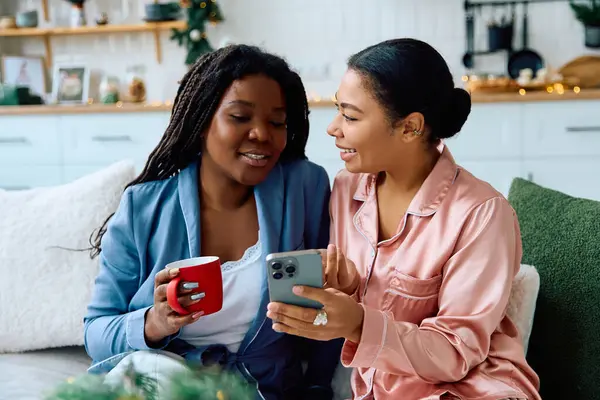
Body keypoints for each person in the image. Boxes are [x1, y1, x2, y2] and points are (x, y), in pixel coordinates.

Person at [266, 38, 541, 400]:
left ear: (411, 127)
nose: (334, 128)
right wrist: (348, 286)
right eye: (338, 111)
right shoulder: (347, 188)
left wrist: (359, 323)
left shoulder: (482, 213)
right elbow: (375, 301)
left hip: (473, 389)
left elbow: (456, 352)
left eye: (350, 116)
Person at [83, 44, 342, 400]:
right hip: (160, 382)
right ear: (202, 121)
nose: (262, 135)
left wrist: (316, 385)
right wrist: (154, 323)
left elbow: (330, 303)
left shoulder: (304, 188)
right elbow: (96, 332)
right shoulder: (143, 207)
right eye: (240, 117)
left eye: (277, 122)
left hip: (263, 389)